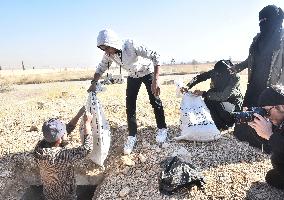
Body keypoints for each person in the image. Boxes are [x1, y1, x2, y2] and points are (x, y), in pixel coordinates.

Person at [88, 29, 167, 155]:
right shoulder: (109, 54)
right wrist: (94, 82)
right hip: (133, 75)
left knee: (155, 100)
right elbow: (101, 67)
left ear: (113, 43)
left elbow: (155, 55)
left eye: (107, 48)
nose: (106, 52)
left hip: (147, 71)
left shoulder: (131, 45)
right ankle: (132, 135)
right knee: (130, 105)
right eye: (103, 49)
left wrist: (156, 80)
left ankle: (162, 128)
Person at [230, 5, 284, 152]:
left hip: (272, 86)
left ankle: (268, 143)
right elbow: (252, 59)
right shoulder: (258, 39)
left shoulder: (282, 40)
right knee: (248, 113)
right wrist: (239, 67)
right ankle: (246, 137)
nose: (263, 24)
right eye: (261, 21)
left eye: (266, 21)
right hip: (254, 83)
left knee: (269, 115)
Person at [34, 107, 92, 200]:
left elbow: (63, 132)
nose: (66, 133)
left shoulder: (38, 149)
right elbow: (87, 148)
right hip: (66, 196)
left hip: (48, 195)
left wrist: (78, 115)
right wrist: (87, 123)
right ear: (59, 140)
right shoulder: (62, 156)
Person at [184, 60, 243, 130]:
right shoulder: (215, 72)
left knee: (210, 97)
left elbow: (223, 96)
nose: (217, 75)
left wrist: (204, 94)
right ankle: (218, 124)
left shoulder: (234, 77)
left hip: (233, 102)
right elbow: (199, 77)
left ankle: (229, 122)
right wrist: (188, 86)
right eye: (217, 73)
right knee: (209, 98)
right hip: (219, 98)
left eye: (220, 74)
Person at [248, 85, 284, 189]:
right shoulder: (280, 120)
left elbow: (274, 140)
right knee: (271, 177)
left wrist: (270, 135)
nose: (266, 116)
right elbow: (269, 144)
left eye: (267, 111)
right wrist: (256, 128)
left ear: (281, 107)